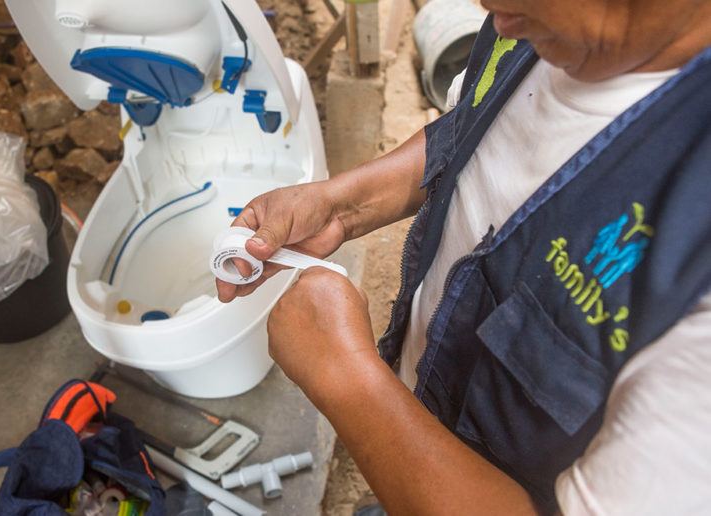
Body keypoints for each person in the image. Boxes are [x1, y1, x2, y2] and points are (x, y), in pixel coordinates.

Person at [216, 0, 711, 513]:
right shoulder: (529, 22)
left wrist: (348, 378)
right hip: (416, 416)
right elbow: (469, 126)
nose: (487, 6)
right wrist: (341, 204)